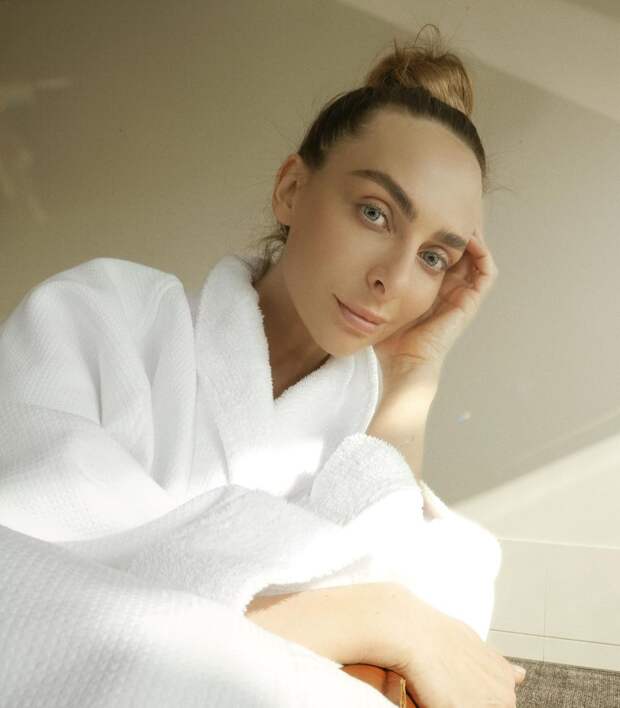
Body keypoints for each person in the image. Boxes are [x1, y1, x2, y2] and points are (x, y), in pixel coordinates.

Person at [0, 24, 525, 708]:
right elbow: (28, 584)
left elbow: (439, 614)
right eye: (375, 213)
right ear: (291, 190)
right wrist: (371, 617)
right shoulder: (100, 315)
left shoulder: (364, 441)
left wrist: (412, 377)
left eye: (434, 257)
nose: (393, 280)